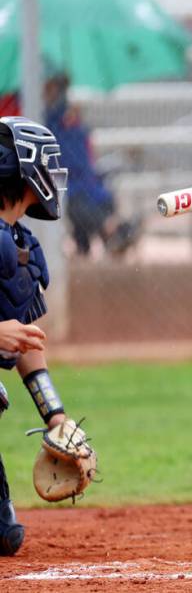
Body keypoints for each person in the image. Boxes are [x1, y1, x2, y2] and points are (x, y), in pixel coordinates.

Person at [0, 115, 87, 556]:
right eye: (48, 166)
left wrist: (56, 415)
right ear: (26, 172)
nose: (54, 177)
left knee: (4, 539)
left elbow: (26, 347)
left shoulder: (18, 245)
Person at [42, 69, 142, 257]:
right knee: (76, 204)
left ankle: (109, 237)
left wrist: (70, 121)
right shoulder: (43, 120)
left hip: (85, 182)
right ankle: (114, 230)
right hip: (63, 185)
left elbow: (84, 160)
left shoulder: (72, 121)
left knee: (103, 198)